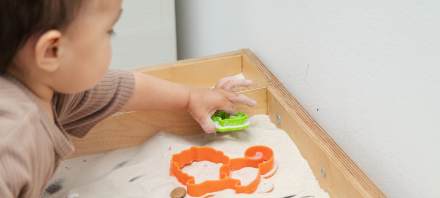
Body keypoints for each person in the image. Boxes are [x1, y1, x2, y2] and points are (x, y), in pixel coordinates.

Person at [0, 0, 256, 197]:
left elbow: (120, 88)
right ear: (52, 51)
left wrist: (191, 96)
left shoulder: (49, 87)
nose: (111, 39)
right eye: (108, 31)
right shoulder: (12, 144)